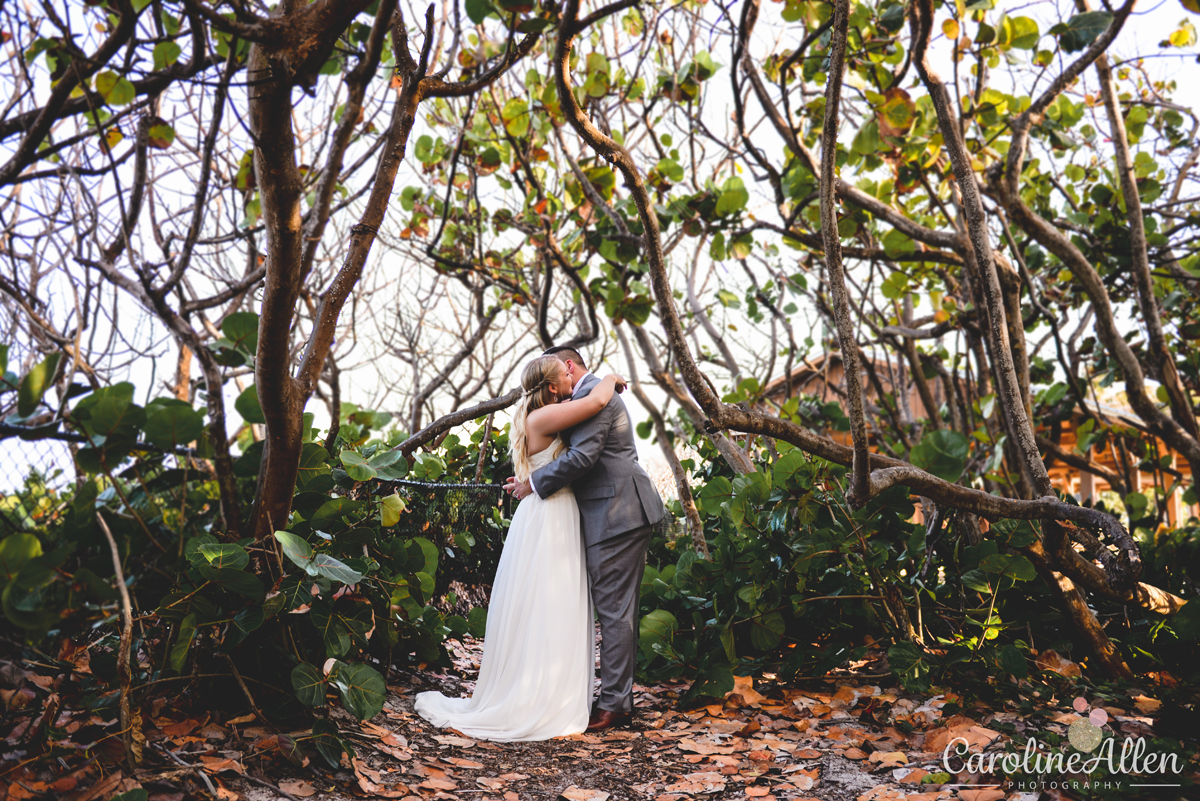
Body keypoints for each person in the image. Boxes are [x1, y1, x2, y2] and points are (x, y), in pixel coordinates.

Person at [413, 355, 628, 741]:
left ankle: (553, 692)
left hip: (552, 512)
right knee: (549, 605)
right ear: (550, 387)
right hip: (551, 516)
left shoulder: (544, 414)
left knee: (549, 605)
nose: (570, 376)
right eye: (564, 374)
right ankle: (541, 698)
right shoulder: (542, 418)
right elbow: (596, 404)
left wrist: (530, 480)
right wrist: (610, 377)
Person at [505, 346, 665, 733]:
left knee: (613, 609)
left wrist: (532, 484)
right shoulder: (587, 397)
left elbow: (583, 457)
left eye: (564, 369)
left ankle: (614, 704)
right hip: (602, 512)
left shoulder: (598, 396)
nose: (563, 378)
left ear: (570, 366)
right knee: (606, 608)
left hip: (618, 513)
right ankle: (603, 695)